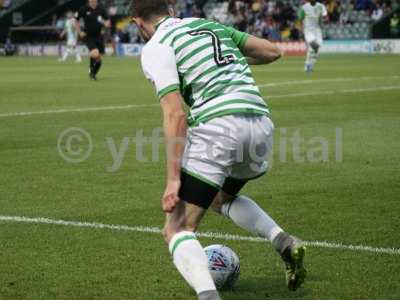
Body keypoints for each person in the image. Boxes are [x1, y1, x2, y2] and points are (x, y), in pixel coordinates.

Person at [132, 1, 307, 299]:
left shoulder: (156, 45)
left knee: (177, 229)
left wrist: (174, 179)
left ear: (138, 23)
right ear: (172, 10)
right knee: (221, 198)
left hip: (218, 126)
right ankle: (283, 241)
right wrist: (222, 63)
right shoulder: (207, 25)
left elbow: (175, 114)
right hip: (260, 123)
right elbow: (272, 50)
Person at [75, 0, 110, 80]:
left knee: (99, 58)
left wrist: (106, 24)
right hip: (88, 36)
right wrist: (79, 31)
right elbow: (76, 20)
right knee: (95, 54)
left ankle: (92, 72)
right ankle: (92, 74)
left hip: (99, 36)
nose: (93, 1)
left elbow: (108, 21)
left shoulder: (101, 9)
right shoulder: (83, 9)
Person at [299, 0, 328, 72]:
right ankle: (308, 64)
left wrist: (324, 20)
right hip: (308, 30)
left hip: (317, 31)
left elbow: (326, 17)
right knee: (314, 45)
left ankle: (310, 64)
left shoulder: (321, 6)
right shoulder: (304, 7)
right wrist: (301, 30)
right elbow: (300, 19)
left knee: (317, 48)